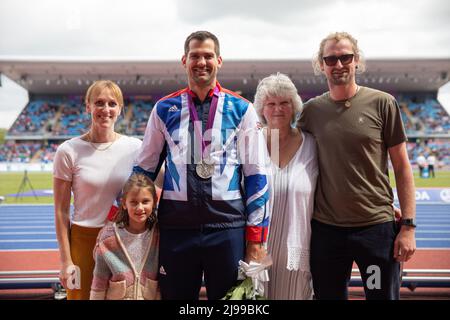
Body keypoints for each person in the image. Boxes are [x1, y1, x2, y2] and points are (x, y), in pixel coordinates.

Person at [133, 31, 269, 300]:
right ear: (184, 60)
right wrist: (123, 220)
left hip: (228, 229)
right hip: (176, 231)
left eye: (208, 56)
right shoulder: (164, 109)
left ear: (219, 61)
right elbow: (143, 171)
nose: (201, 62)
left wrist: (255, 239)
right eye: (195, 56)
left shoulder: (242, 109)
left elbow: (257, 176)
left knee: (233, 304)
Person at [298, 32, 416, 300]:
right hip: (327, 232)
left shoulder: (383, 103)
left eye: (345, 57)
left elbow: (402, 167)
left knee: (379, 296)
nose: (338, 65)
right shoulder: (311, 112)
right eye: (331, 59)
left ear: (357, 60)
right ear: (321, 64)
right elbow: (290, 153)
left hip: (375, 230)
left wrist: (408, 226)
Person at [53, 80, 142, 300]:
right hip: (84, 240)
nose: (105, 109)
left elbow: (152, 189)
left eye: (112, 103)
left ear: (120, 109)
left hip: (123, 240)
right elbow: (61, 211)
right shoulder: (68, 151)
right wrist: (66, 260)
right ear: (88, 107)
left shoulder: (135, 147)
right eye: (99, 103)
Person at [254, 73, 318, 300]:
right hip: (256, 250)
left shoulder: (312, 145)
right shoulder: (250, 143)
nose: (277, 109)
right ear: (262, 108)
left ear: (294, 106)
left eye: (284, 102)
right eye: (271, 103)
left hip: (297, 251)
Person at [90, 174, 160, 300]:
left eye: (145, 201)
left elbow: (160, 282)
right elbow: (99, 282)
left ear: (154, 202)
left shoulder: (158, 236)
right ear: (124, 203)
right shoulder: (108, 238)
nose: (140, 208)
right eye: (133, 202)